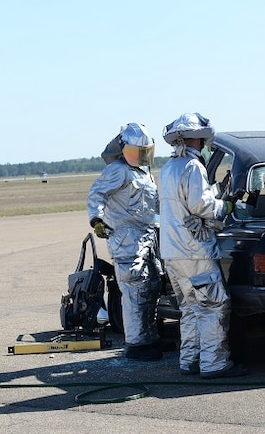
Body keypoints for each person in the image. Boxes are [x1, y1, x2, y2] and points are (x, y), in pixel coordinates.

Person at [158, 112, 248, 379]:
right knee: (213, 305)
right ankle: (214, 364)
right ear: (196, 139)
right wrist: (227, 205)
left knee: (189, 307)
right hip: (194, 251)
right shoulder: (193, 168)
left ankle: (190, 360)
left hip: (172, 253)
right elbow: (203, 206)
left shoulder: (167, 168)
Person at [87, 122, 167, 361]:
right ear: (123, 150)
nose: (140, 157)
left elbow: (153, 207)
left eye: (144, 152)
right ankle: (136, 343)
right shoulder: (117, 170)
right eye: (135, 152)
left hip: (148, 236)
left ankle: (149, 337)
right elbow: (96, 193)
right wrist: (97, 219)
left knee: (152, 285)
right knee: (135, 289)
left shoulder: (144, 174)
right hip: (126, 239)